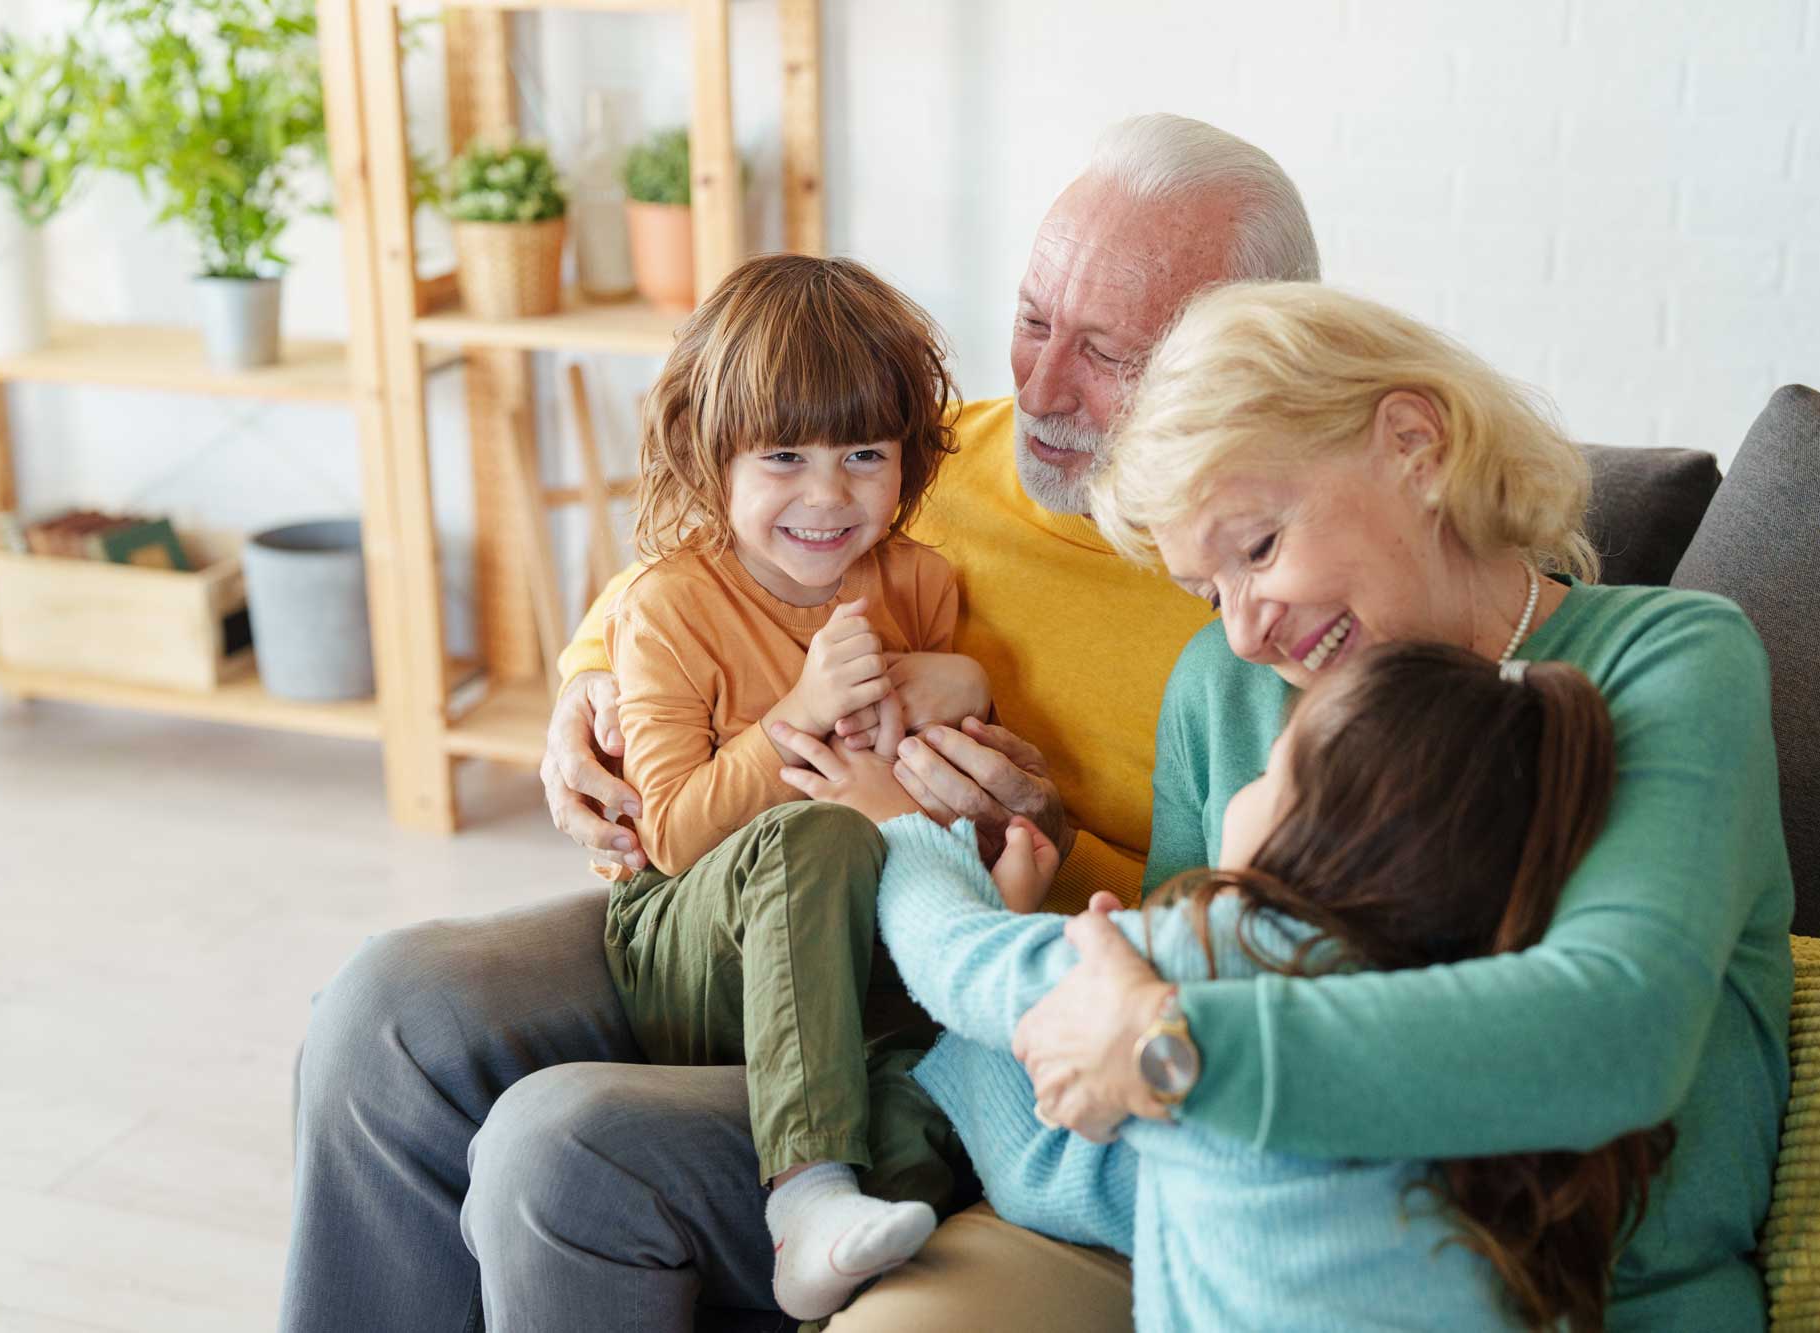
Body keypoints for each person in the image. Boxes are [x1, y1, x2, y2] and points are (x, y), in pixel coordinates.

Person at [281, 114, 1320, 1333]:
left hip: (968, 993)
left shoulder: (1260, 587)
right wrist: (584, 687)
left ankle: (813, 1193)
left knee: (560, 1146)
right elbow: (687, 569)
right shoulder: (920, 458)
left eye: (1103, 353)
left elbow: (1247, 940)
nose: (1042, 389)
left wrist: (1035, 841)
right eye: (1034, 320)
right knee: (387, 1011)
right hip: (747, 900)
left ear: (1239, 359)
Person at [988, 282, 1793, 1328]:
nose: (1244, 631)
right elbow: (1154, 1010)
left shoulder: (1669, 662)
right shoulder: (1224, 692)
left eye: (1258, 547)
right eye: (1208, 591)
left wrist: (1173, 1047)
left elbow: (1614, 1033)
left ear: (1415, 445)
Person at [773, 640, 1669, 1332]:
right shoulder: (1465, 1023)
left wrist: (902, 829)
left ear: (1332, 831)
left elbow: (959, 958)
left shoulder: (1229, 947)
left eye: (1274, 769)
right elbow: (1101, 1179)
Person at [589, 253, 1008, 1319]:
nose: (828, 496)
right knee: (819, 836)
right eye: (783, 456)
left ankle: (852, 1270)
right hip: (692, 947)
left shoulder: (919, 584)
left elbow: (921, 790)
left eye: (865, 454)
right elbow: (672, 833)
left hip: (852, 957)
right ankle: (806, 1192)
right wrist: (800, 711)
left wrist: (956, 685)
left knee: (924, 1096)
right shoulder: (668, 606)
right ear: (708, 452)